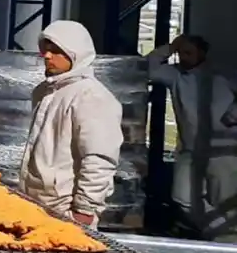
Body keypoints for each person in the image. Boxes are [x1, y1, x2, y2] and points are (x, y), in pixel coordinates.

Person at [18, 20, 124, 226]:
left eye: (56, 51)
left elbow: (98, 159)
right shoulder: (45, 91)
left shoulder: (91, 96)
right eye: (45, 50)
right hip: (35, 202)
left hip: (65, 208)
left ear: (75, 53)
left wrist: (84, 211)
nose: (47, 56)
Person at [146, 35, 237, 232]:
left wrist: (232, 116)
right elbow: (147, 68)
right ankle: (217, 236)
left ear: (202, 53)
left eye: (188, 53)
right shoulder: (176, 76)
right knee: (182, 198)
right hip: (191, 150)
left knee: (226, 202)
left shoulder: (223, 74)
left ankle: (226, 247)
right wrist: (170, 47)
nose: (183, 58)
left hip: (225, 150)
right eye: (181, 53)